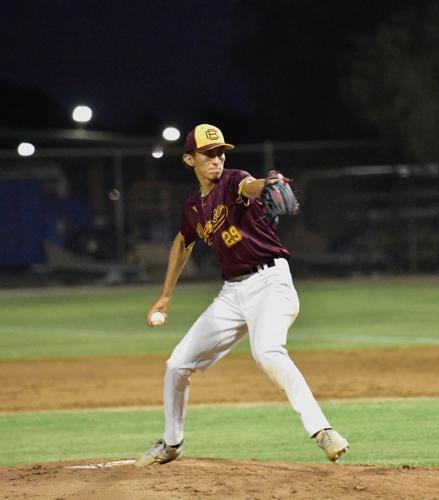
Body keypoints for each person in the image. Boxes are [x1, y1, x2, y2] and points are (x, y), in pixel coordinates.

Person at [134, 124, 349, 468]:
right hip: (233, 293)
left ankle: (322, 430)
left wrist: (269, 184)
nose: (216, 159)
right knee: (176, 364)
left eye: (220, 152)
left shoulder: (233, 181)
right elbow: (182, 243)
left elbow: (252, 185)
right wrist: (165, 296)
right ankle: (172, 443)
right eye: (208, 154)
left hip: (271, 282)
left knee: (266, 351)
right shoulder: (193, 206)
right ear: (189, 159)